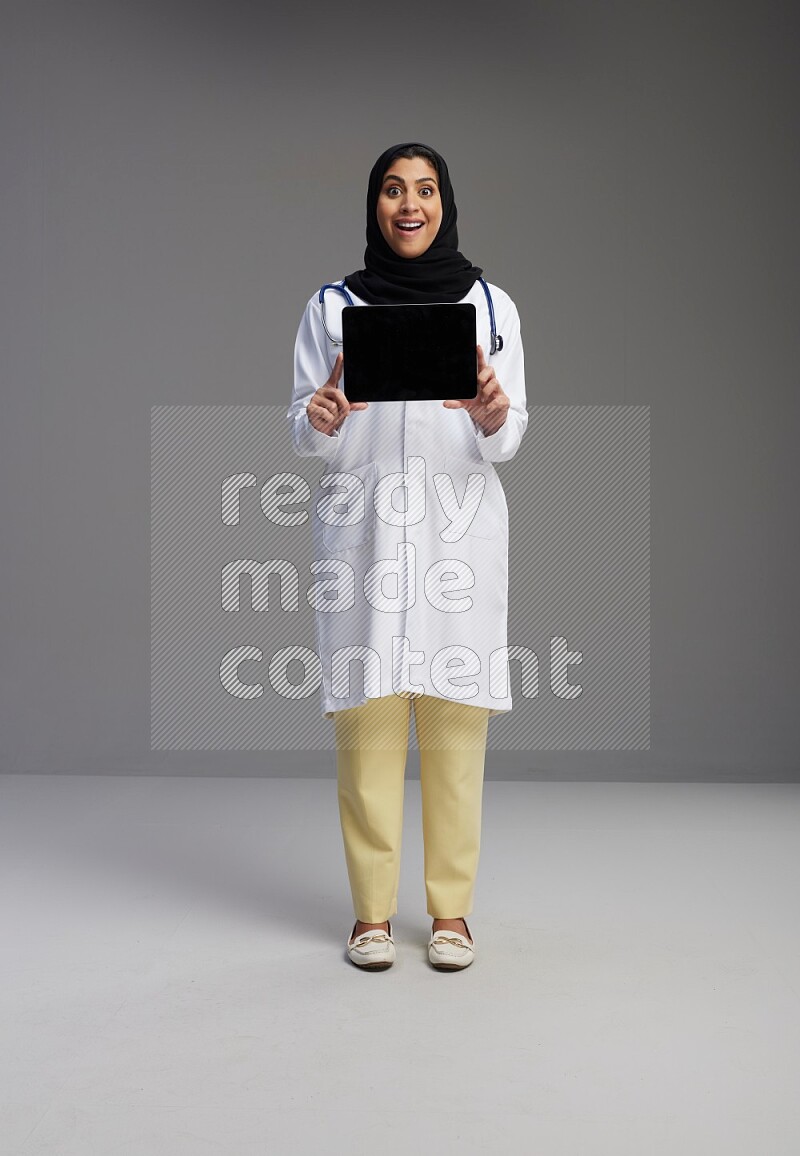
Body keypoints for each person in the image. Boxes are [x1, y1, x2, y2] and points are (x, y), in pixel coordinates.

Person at [287, 142, 528, 970]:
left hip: (456, 537)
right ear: (374, 206)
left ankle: (452, 914)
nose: (409, 204)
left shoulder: (491, 306)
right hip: (365, 540)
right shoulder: (330, 306)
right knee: (369, 730)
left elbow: (512, 437)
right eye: (393, 190)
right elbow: (301, 429)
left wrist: (493, 411)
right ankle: (371, 916)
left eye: (425, 190)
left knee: (458, 729)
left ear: (446, 202)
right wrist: (318, 416)